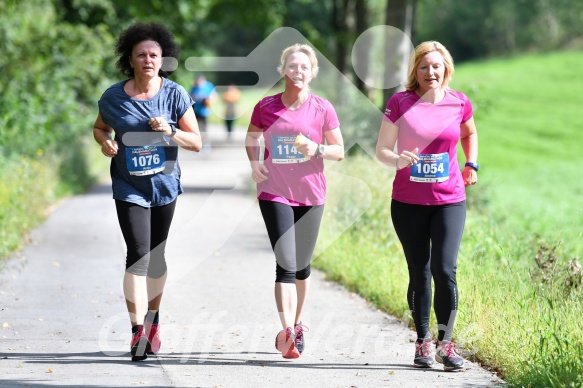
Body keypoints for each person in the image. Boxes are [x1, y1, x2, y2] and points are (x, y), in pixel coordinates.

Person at [93, 22, 202, 362]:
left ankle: (153, 320)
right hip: (129, 185)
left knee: (156, 256)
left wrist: (170, 131)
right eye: (141, 55)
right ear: (130, 59)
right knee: (137, 252)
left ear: (163, 59)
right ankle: (136, 329)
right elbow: (99, 127)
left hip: (165, 185)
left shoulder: (174, 94)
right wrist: (105, 142)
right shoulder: (113, 97)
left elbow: (196, 142)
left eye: (154, 55)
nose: (148, 60)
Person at [375, 40, 478, 371]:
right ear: (415, 71)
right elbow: (382, 150)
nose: (430, 72)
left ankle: (447, 345)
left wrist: (470, 164)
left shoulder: (459, 102)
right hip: (408, 202)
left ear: (446, 69)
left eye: (436, 66)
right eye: (424, 66)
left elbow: (469, 134)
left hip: (449, 199)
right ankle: (423, 343)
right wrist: (398, 159)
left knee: (444, 270)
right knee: (419, 271)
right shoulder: (400, 102)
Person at [245, 44, 344, 359]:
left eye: (304, 66)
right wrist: (255, 162)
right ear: (283, 70)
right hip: (274, 190)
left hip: (311, 194)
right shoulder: (266, 106)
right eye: (292, 66)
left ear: (312, 72)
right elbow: (251, 136)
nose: (298, 71)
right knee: (285, 263)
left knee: (302, 265)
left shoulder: (322, 108)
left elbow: (339, 150)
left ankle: (299, 322)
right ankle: (287, 331)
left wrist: (316, 148)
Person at [190, 74, 217, 151]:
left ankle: (206, 145)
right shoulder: (194, 87)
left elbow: (214, 96)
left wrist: (208, 100)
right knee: (196, 129)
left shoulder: (208, 86)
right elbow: (190, 97)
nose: (198, 83)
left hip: (204, 111)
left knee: (204, 129)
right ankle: (198, 144)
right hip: (195, 111)